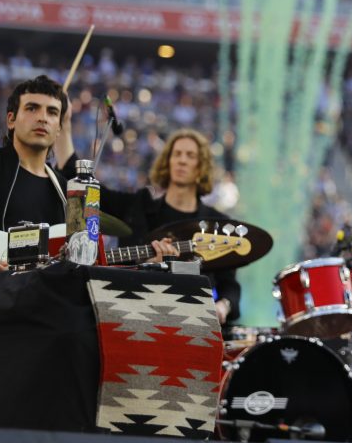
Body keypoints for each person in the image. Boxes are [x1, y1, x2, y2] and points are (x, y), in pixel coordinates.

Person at [56, 124, 239, 325]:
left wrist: (223, 306)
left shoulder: (216, 223)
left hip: (192, 323)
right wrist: (64, 127)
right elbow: (81, 184)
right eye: (176, 154)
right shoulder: (138, 207)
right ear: (167, 162)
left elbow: (229, 284)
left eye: (190, 155)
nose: (182, 160)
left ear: (201, 167)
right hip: (130, 316)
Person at [0, 75, 69, 273]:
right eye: (32, 108)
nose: (42, 118)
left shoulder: (67, 192)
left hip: (39, 299)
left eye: (52, 112)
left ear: (58, 130)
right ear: (11, 120)